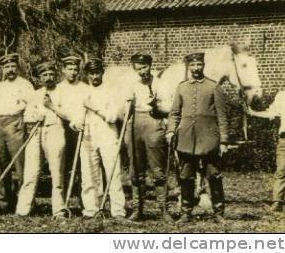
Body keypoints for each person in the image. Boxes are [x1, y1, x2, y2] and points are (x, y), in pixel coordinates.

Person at [166, 52, 229, 224]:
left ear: (203, 66)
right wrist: (171, 131)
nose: (195, 68)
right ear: (189, 67)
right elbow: (174, 113)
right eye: (192, 65)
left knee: (214, 175)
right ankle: (186, 211)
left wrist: (223, 141)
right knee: (186, 176)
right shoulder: (182, 87)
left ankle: (218, 212)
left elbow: (222, 117)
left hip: (209, 139)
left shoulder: (213, 87)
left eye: (198, 65)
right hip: (186, 139)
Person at [16, 60, 66, 218]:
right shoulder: (35, 94)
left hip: (55, 130)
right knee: (31, 171)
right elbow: (27, 116)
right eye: (45, 75)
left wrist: (52, 106)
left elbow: (68, 115)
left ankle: (58, 210)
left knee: (57, 171)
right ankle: (24, 209)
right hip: (36, 132)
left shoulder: (61, 92)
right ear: (39, 78)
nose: (49, 77)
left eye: (51, 74)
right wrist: (33, 117)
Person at [49, 53, 95, 217]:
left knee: (85, 168)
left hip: (83, 131)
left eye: (75, 69)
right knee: (63, 169)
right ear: (63, 70)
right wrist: (70, 118)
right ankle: (61, 206)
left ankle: (87, 205)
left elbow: (89, 108)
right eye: (69, 69)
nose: (73, 72)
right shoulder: (59, 89)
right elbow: (55, 109)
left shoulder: (85, 88)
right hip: (64, 131)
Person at [81, 56, 127, 219]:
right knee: (89, 175)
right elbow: (75, 116)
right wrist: (75, 124)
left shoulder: (112, 91)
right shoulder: (82, 91)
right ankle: (90, 209)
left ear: (102, 73)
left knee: (113, 173)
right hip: (87, 136)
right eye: (91, 73)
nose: (95, 77)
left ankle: (118, 210)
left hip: (108, 135)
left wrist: (93, 108)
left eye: (97, 72)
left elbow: (113, 116)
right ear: (87, 74)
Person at [125, 53, 168, 217]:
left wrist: (157, 106)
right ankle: (137, 209)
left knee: (157, 168)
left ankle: (163, 209)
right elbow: (124, 109)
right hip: (135, 122)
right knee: (135, 168)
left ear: (150, 66)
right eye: (138, 68)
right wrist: (127, 103)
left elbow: (168, 107)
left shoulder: (160, 82)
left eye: (144, 67)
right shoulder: (130, 84)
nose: (142, 71)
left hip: (153, 122)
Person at [0, 52, 34, 213]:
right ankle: (4, 203)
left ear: (17, 67)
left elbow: (31, 105)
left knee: (21, 164)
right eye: (6, 66)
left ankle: (25, 204)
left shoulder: (25, 85)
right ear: (2, 68)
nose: (10, 69)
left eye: (12, 66)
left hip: (16, 123)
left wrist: (24, 124)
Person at [248, 68, 285, 212]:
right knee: (281, 170)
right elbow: (271, 113)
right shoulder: (282, 96)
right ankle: (277, 202)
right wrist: (252, 113)